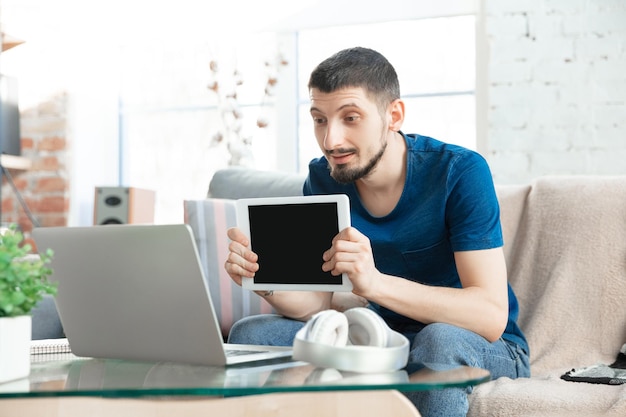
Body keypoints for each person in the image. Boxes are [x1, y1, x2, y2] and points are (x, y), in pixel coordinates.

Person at [224, 46, 530, 417]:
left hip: (481, 342)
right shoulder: (322, 178)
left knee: (438, 340)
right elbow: (322, 304)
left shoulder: (460, 172)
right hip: (378, 333)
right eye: (319, 119)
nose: (331, 140)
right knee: (251, 333)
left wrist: (374, 284)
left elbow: (490, 316)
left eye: (350, 117)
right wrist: (266, 281)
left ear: (393, 115)